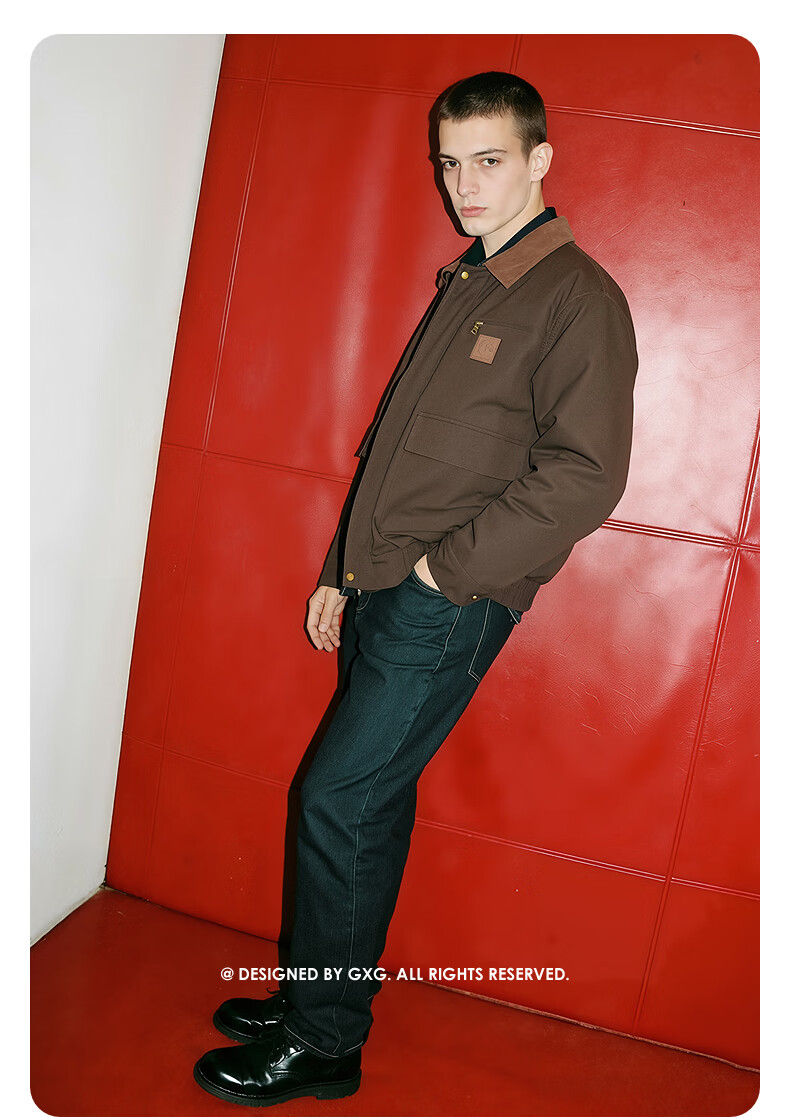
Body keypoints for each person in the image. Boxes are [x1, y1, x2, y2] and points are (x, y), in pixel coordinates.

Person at [193, 70, 639, 1108]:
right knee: (367, 805)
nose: (464, 184)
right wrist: (339, 571)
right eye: (450, 164)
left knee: (336, 798)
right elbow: (396, 448)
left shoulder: (577, 298)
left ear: (539, 160)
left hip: (447, 602)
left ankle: (324, 1042)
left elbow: (586, 474)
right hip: (384, 585)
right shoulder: (470, 281)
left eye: (488, 160)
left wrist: (442, 572)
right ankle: (318, 1000)